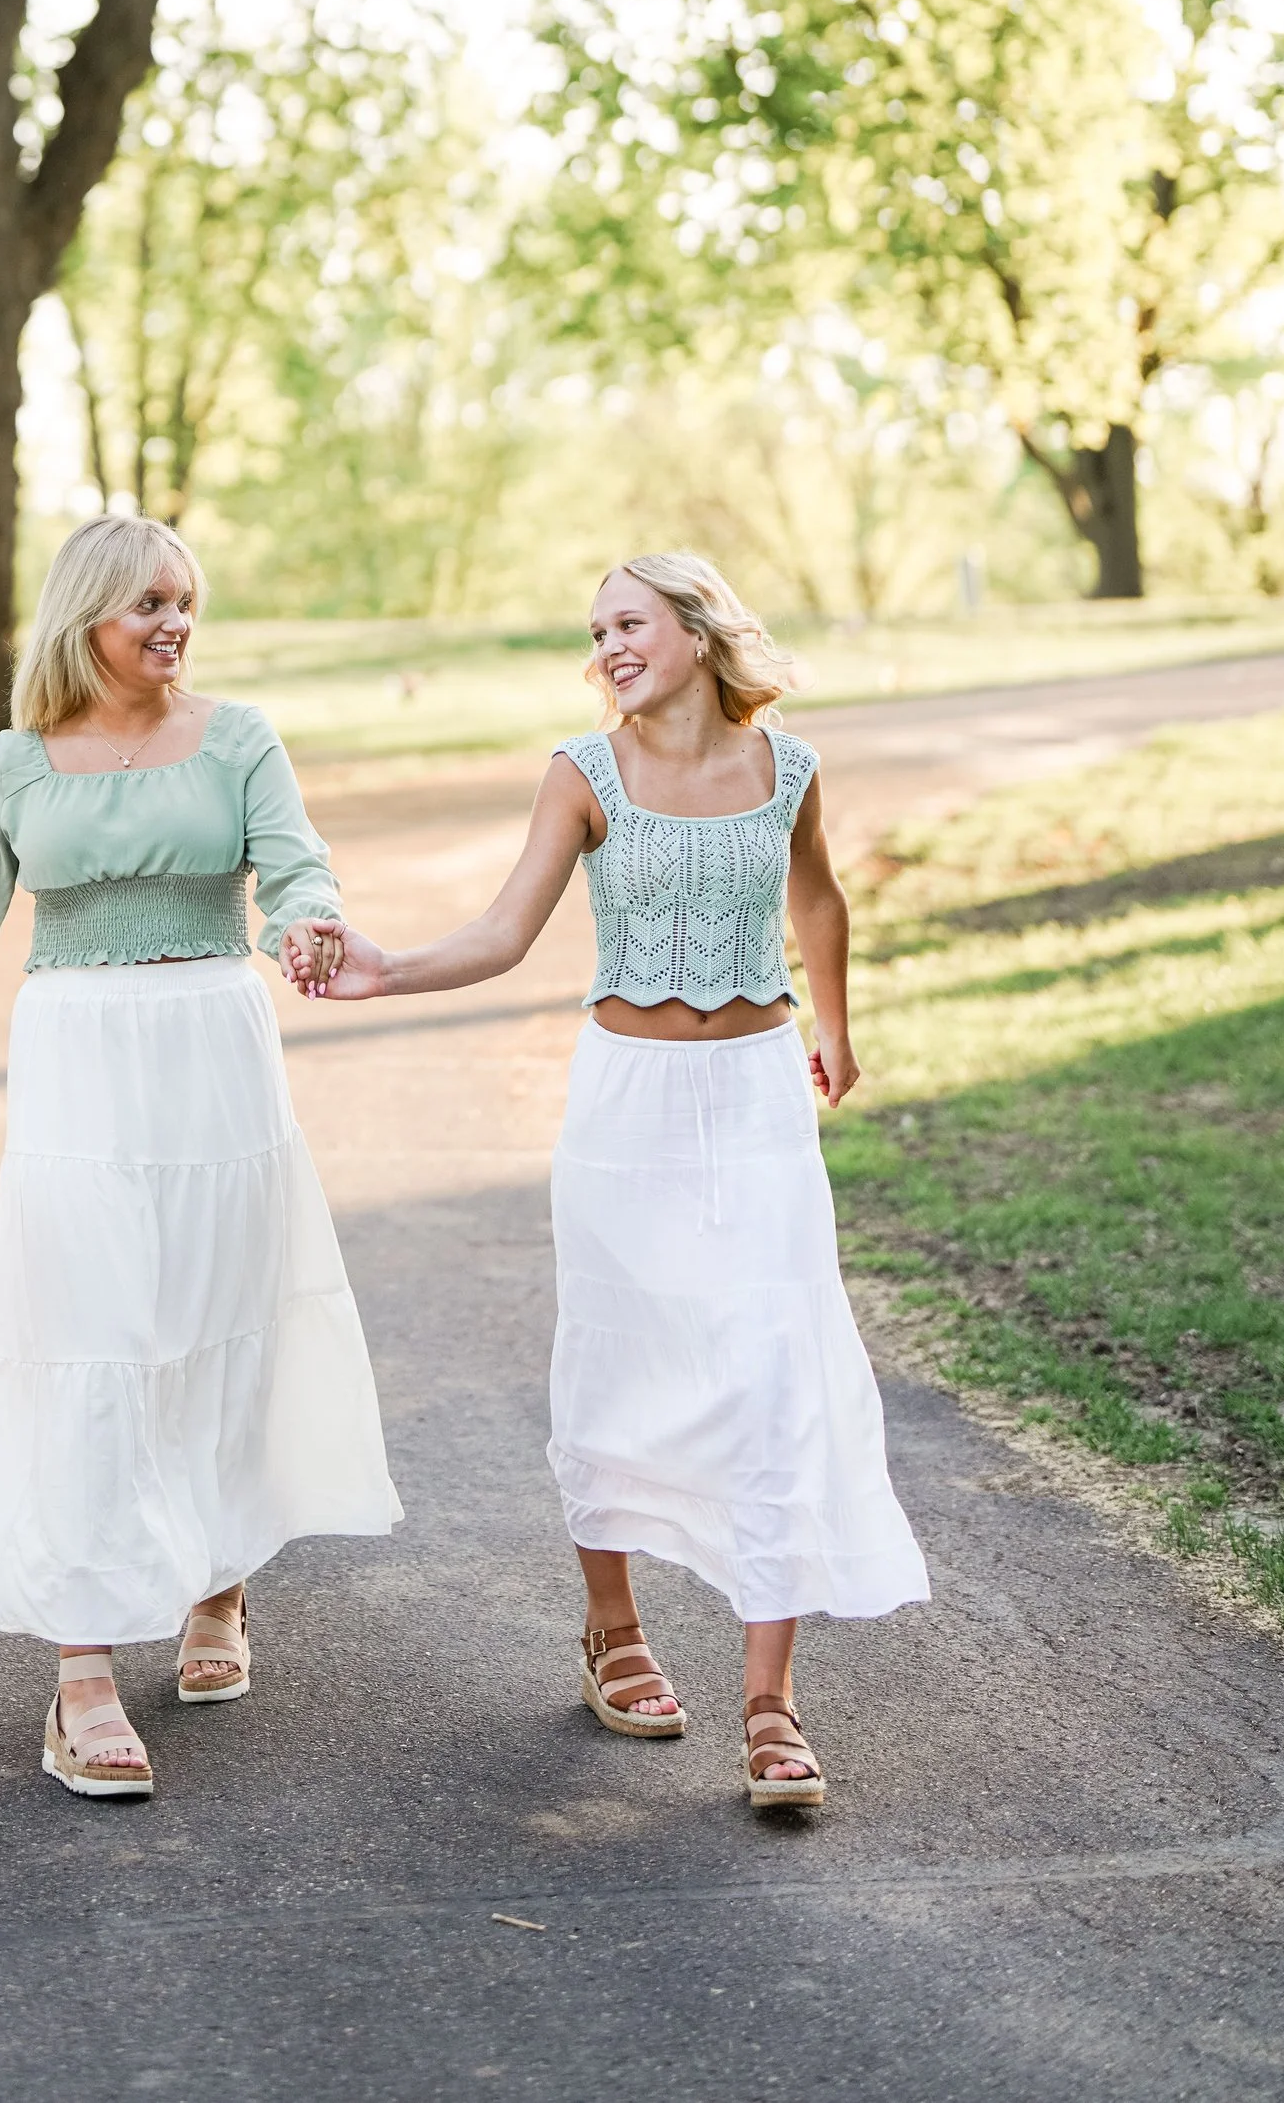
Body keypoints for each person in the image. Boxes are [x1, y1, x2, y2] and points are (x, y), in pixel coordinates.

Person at [301, 550, 926, 1811]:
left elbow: (820, 901)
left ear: (696, 630)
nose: (609, 647)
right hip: (626, 1111)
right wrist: (385, 968)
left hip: (755, 1102)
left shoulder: (785, 769)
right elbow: (503, 930)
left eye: (628, 622)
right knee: (622, 1359)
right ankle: (612, 1628)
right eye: (597, 632)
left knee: (770, 1370)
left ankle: (769, 1705)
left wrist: (836, 1028)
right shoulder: (583, 775)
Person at [0, 516, 401, 1798]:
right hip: (81, 1066)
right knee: (88, 1337)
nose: (174, 624)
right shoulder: (20, 766)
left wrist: (307, 923)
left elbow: (298, 867)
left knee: (216, 1318)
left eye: (185, 601)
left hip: (215, 1058)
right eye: (148, 604)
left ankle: (216, 1588)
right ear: (86, 617)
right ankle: (80, 1672)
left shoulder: (238, 739)